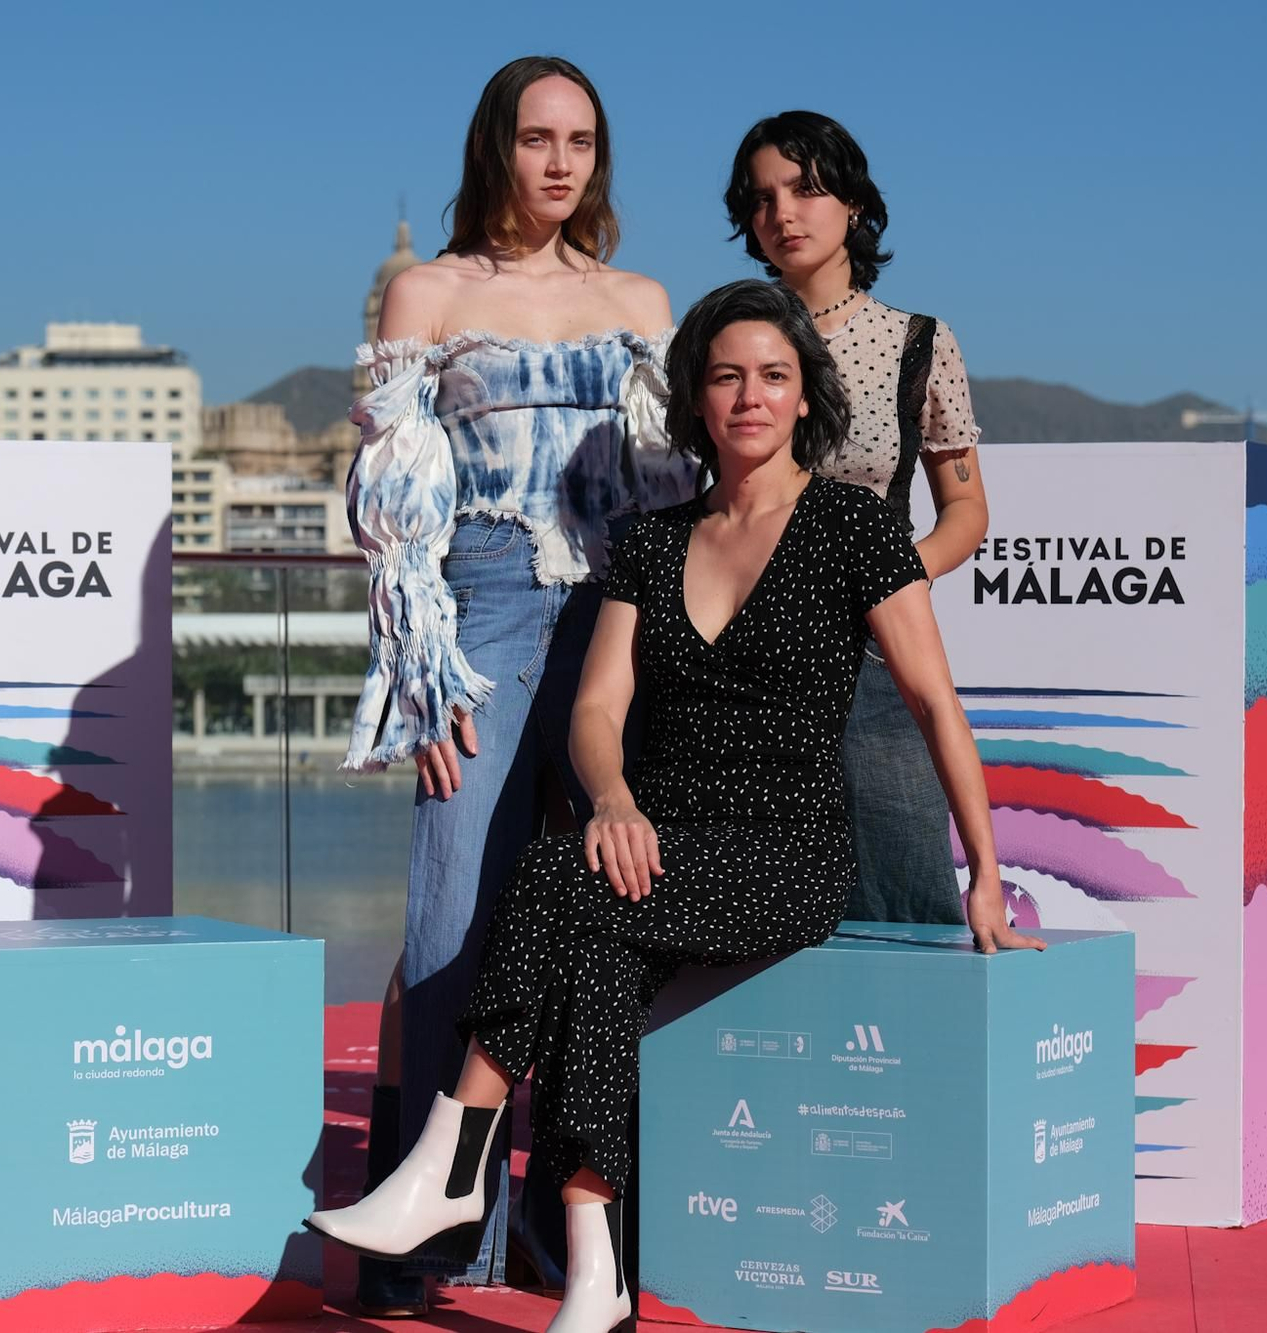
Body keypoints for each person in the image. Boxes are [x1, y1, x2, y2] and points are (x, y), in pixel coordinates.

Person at [309, 279, 1040, 1333]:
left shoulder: (848, 528)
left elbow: (933, 702)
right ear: (694, 397)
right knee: (596, 947)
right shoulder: (650, 541)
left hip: (782, 851)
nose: (749, 396)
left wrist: (985, 872)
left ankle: (453, 1153)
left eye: (773, 377)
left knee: (555, 876)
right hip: (659, 838)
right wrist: (608, 797)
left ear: (804, 400)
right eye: (727, 376)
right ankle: (597, 1272)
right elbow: (597, 711)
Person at [340, 55, 692, 1311]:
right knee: (450, 921)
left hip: (618, 618)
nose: (559, 163)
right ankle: (431, 1237)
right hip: (481, 607)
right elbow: (394, 508)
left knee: (599, 919)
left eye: (582, 142)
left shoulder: (640, 296)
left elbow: (670, 492)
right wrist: (421, 668)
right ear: (495, 145)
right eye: (537, 137)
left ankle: (566, 1221)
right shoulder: (426, 289)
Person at [724, 110, 990, 925]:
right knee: (750, 893)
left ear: (855, 205)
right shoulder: (729, 336)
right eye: (762, 198)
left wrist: (892, 581)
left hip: (873, 654)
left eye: (806, 189)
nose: (784, 214)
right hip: (747, 657)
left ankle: (925, 1050)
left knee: (905, 882)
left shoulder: (918, 342)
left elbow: (967, 509)